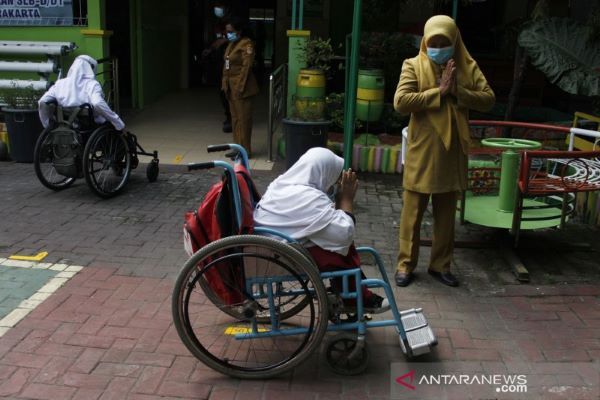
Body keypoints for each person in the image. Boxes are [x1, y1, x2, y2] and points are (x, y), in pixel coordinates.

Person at [394, 15, 495, 288]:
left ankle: (440, 265)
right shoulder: (412, 65)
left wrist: (457, 91)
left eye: (444, 42)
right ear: (426, 41)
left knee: (446, 216)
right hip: (422, 151)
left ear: (455, 41)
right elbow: (401, 102)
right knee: (411, 214)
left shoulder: (466, 66)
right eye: (433, 41)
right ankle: (405, 265)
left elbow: (488, 98)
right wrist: (438, 91)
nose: (438, 46)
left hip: (452, 152)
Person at [254, 147, 389, 313]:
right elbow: (344, 235)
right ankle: (356, 297)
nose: (332, 184)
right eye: (333, 178)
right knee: (339, 249)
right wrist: (346, 200)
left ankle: (355, 293)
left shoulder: (281, 184)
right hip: (281, 254)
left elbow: (318, 220)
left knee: (335, 242)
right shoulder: (306, 197)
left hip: (272, 246)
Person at [38, 55, 125, 131]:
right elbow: (98, 103)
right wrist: (117, 122)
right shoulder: (92, 85)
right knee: (110, 123)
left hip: (64, 123)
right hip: (89, 125)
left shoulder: (60, 84)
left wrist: (47, 125)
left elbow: (42, 102)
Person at [222, 17, 259, 157]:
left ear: (239, 31)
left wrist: (239, 87)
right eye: (227, 31)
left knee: (244, 120)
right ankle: (237, 148)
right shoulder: (231, 44)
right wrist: (225, 84)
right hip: (231, 87)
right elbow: (227, 64)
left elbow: (246, 67)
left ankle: (245, 151)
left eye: (230, 31)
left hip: (242, 88)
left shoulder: (246, 44)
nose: (228, 34)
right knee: (235, 119)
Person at [202, 1, 232, 133]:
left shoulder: (231, 22)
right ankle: (229, 116)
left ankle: (232, 118)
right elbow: (218, 40)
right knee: (222, 91)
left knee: (229, 92)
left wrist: (221, 42)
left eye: (219, 6)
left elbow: (226, 39)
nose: (217, 9)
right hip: (220, 62)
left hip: (230, 63)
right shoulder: (217, 23)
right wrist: (211, 49)